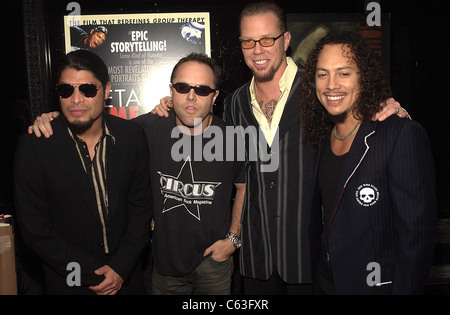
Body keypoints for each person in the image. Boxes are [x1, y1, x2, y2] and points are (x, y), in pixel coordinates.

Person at [151, 0, 408, 295]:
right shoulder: (233, 103)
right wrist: (170, 104)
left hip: (308, 255)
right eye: (248, 41)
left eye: (267, 39)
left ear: (285, 40)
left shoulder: (319, 89)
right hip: (255, 259)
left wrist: (391, 110)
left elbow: (358, 124)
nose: (257, 50)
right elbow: (227, 164)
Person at [27, 53, 246, 295]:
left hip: (214, 262)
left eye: (202, 89)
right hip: (164, 264)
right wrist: (53, 118)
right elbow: (93, 121)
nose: (191, 96)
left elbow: (244, 186)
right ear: (171, 91)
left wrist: (233, 238)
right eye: (183, 87)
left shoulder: (232, 139)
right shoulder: (145, 129)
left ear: (215, 96)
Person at [300, 31, 436, 294]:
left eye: (344, 73)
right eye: (322, 74)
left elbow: (417, 240)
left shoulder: (400, 134)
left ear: (364, 78)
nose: (331, 85)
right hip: (327, 281)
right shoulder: (321, 137)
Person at [14, 50, 152, 295]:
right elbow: (35, 231)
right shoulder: (35, 146)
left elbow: (141, 209)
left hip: (127, 279)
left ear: (106, 90)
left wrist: (120, 269)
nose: (76, 99)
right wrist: (92, 274)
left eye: (88, 89)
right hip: (68, 282)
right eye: (66, 90)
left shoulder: (132, 137)